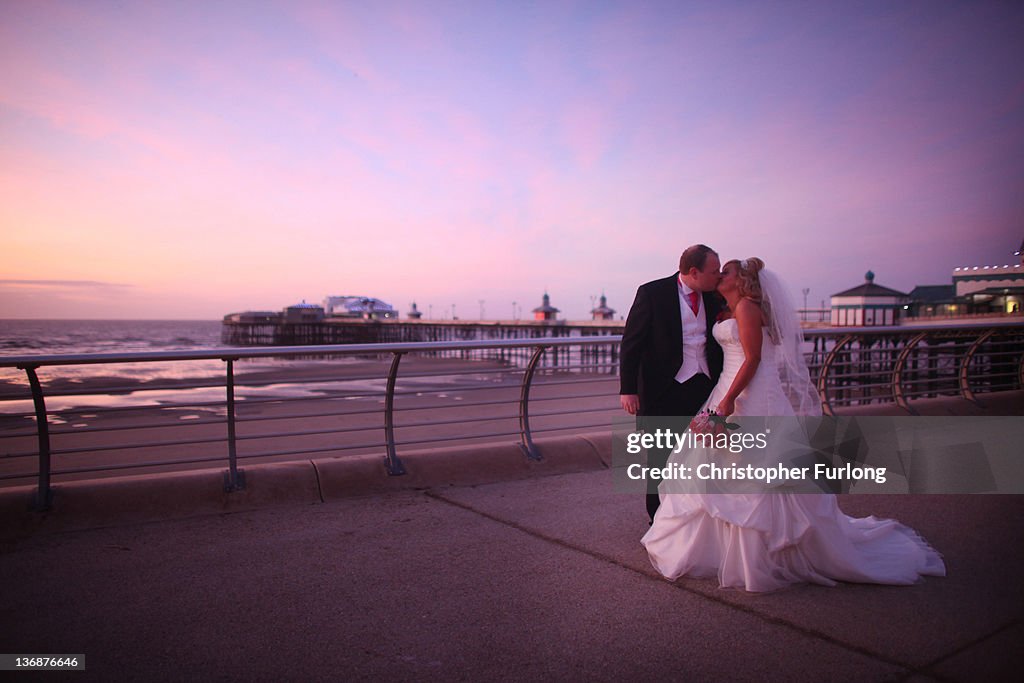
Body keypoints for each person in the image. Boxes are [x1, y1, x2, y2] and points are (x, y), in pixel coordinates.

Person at [641, 257, 946, 592]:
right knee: (717, 465)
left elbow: (754, 358)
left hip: (753, 394)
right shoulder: (728, 307)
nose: (720, 275)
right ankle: (725, 549)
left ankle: (767, 553)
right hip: (728, 387)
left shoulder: (747, 308)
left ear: (741, 280)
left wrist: (728, 401)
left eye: (725, 271)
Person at [620, 244, 725, 523]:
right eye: (714, 271)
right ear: (694, 271)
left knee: (699, 457)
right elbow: (632, 343)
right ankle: (657, 520)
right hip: (663, 389)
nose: (720, 275)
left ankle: (692, 517)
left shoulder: (715, 296)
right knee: (660, 457)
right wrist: (627, 389)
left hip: (705, 386)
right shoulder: (652, 293)